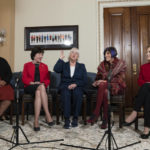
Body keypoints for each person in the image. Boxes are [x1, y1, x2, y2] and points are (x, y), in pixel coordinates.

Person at [87, 47, 126, 129]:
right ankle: (105, 119)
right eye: (105, 54)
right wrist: (99, 81)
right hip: (104, 87)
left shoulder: (120, 63)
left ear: (113, 53)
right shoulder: (102, 64)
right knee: (104, 91)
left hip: (116, 86)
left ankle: (96, 112)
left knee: (103, 85)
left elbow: (121, 78)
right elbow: (98, 76)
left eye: (108, 53)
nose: (106, 55)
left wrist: (106, 81)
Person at [53, 48, 87, 129]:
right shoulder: (64, 65)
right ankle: (67, 119)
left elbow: (84, 80)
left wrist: (76, 84)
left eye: (76, 53)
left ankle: (75, 118)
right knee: (65, 94)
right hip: (65, 86)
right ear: (69, 55)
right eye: (72, 52)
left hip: (77, 86)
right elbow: (56, 69)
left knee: (77, 93)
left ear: (78, 56)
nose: (74, 54)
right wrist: (60, 59)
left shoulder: (81, 66)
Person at [22, 47, 54, 131]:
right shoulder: (26, 65)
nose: (41, 56)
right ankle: (48, 115)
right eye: (39, 54)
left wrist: (43, 84)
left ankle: (36, 121)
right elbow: (24, 78)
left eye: (42, 54)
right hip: (29, 87)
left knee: (38, 92)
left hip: (40, 88)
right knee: (41, 87)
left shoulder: (45, 66)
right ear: (34, 55)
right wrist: (32, 83)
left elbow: (47, 79)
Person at [123, 45, 150, 139]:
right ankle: (147, 129)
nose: (147, 54)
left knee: (146, 87)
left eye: (149, 52)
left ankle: (134, 112)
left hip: (145, 90)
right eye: (147, 52)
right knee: (148, 97)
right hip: (147, 92)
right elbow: (140, 81)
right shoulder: (144, 67)